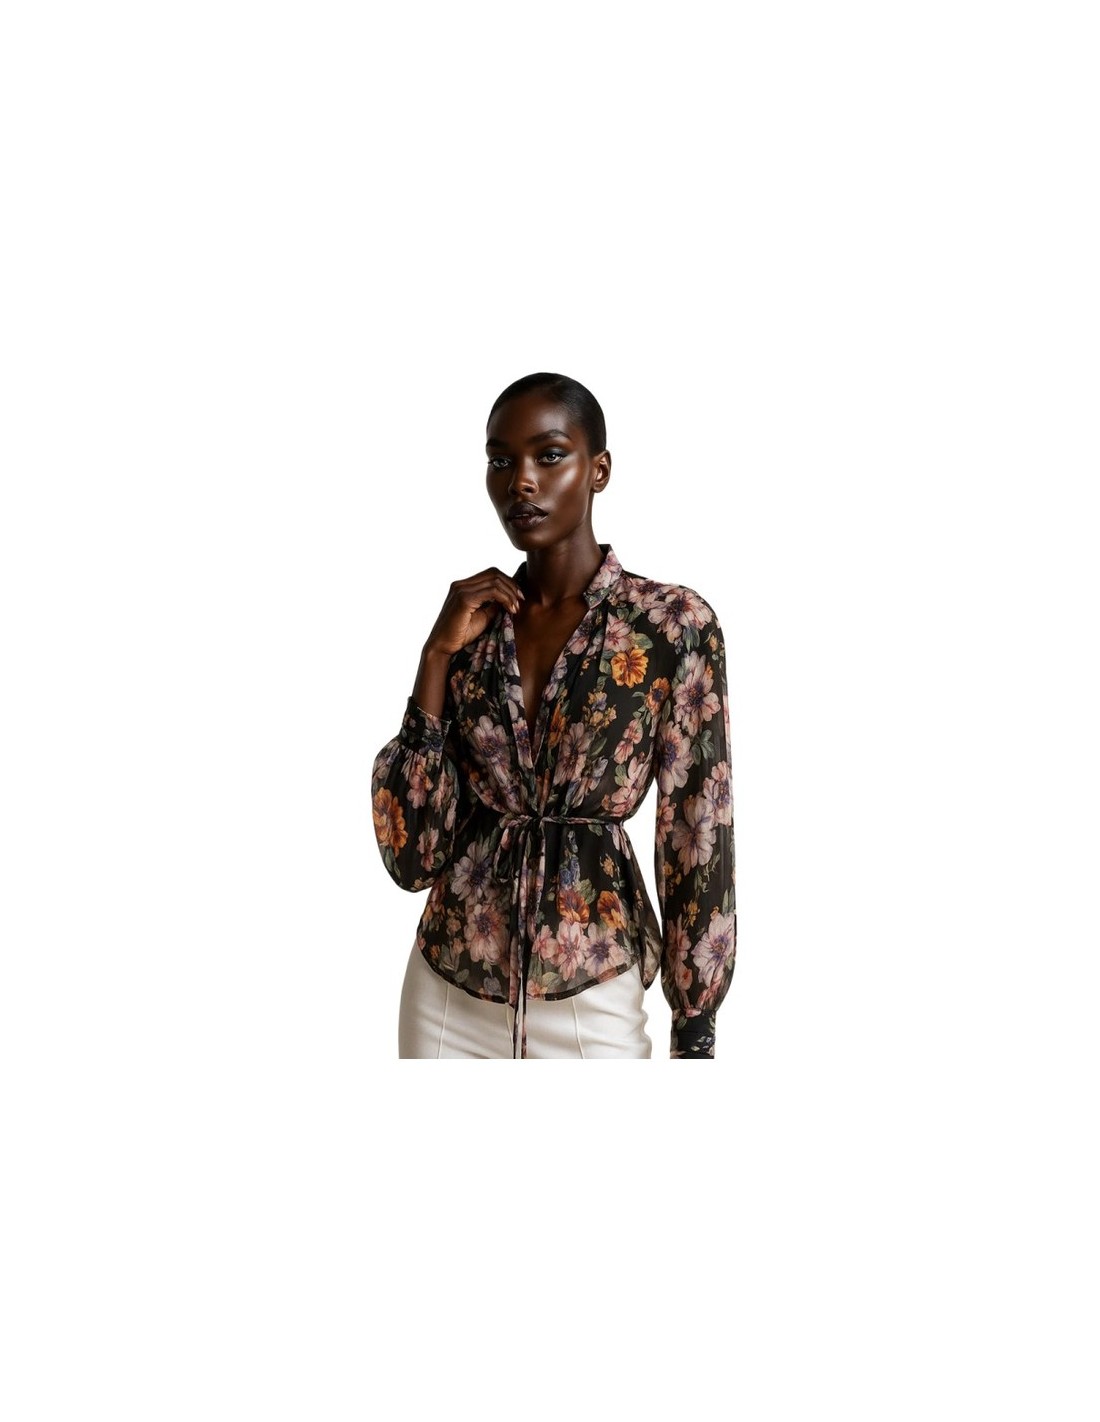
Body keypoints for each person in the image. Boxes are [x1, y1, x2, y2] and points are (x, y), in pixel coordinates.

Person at [371, 372, 736, 1058]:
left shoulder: (670, 626)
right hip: (447, 995)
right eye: (500, 461)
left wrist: (696, 1022)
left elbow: (696, 827)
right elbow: (412, 857)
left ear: (599, 470)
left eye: (549, 455)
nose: (521, 482)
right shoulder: (472, 629)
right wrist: (435, 655)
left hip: (589, 995)